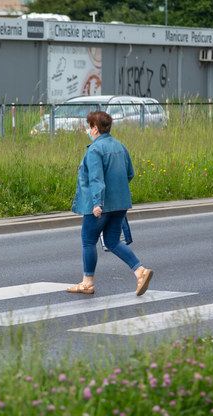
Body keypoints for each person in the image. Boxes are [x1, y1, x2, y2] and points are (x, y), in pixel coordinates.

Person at [67, 110, 153, 295]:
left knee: (88, 241)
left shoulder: (95, 150)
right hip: (120, 204)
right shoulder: (120, 146)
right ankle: (141, 272)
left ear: (95, 128)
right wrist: (116, 192)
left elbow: (96, 179)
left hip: (99, 206)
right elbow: (129, 173)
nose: (89, 130)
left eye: (89, 126)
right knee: (113, 242)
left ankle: (87, 283)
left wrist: (97, 203)